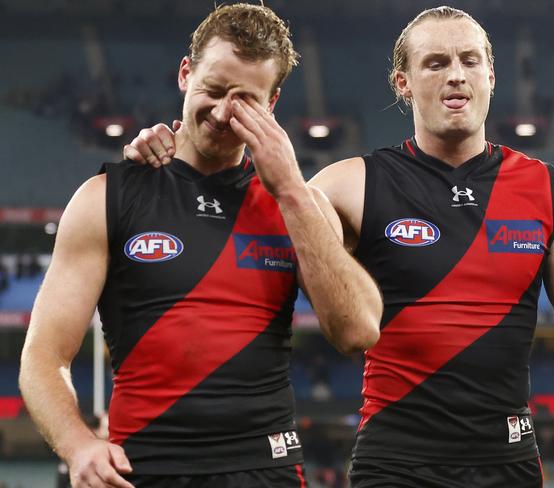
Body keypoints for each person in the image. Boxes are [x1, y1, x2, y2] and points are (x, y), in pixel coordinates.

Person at [125, 5, 554, 488]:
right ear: (402, 83)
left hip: (509, 462)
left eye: (469, 60)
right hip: (395, 463)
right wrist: (168, 160)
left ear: (491, 76)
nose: (455, 74)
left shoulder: (547, 189)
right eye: (435, 63)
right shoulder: (347, 186)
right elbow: (223, 231)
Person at [19, 4, 382, 488]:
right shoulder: (107, 197)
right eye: (212, 89)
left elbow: (358, 330)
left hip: (265, 469)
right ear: (185, 73)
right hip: (143, 469)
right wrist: (78, 444)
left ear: (272, 103)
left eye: (245, 100)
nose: (222, 111)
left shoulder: (299, 204)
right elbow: (42, 357)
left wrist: (292, 190)